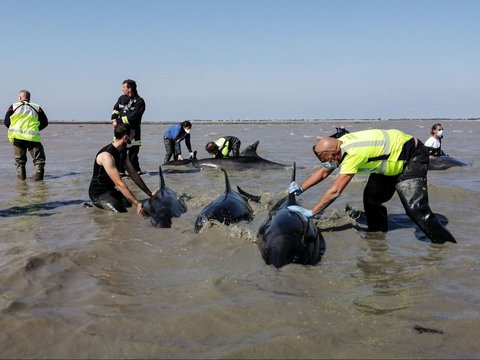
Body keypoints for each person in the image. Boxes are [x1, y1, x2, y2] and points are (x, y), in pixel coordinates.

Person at [288, 129, 456, 244]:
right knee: (371, 199)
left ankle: (446, 245)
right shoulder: (340, 143)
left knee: (415, 209)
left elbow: (335, 191)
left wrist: (311, 212)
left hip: (412, 156)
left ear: (334, 154)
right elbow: (325, 171)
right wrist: (301, 187)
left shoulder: (354, 155)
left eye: (327, 159)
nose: (326, 163)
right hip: (389, 159)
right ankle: (378, 234)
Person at [89, 123, 153, 214]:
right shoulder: (107, 156)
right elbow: (119, 184)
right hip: (99, 193)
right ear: (126, 138)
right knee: (121, 213)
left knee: (128, 205)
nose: (134, 139)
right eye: (133, 136)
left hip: (111, 190)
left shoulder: (122, 152)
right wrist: (137, 204)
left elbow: (134, 175)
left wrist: (149, 194)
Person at [4, 90, 48, 181]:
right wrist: (36, 129)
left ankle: (21, 184)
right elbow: (45, 122)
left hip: (18, 137)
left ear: (20, 98)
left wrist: (14, 128)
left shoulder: (13, 106)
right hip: (32, 137)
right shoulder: (36, 107)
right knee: (39, 160)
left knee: (20, 162)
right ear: (29, 98)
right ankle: (38, 184)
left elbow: (6, 122)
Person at [111, 79, 146, 175]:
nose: (122, 89)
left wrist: (119, 120)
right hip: (120, 131)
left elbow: (133, 117)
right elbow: (116, 109)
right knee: (118, 152)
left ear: (130, 89)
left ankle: (136, 173)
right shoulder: (121, 98)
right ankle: (121, 172)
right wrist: (113, 118)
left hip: (133, 132)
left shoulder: (140, 102)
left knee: (133, 155)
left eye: (124, 87)